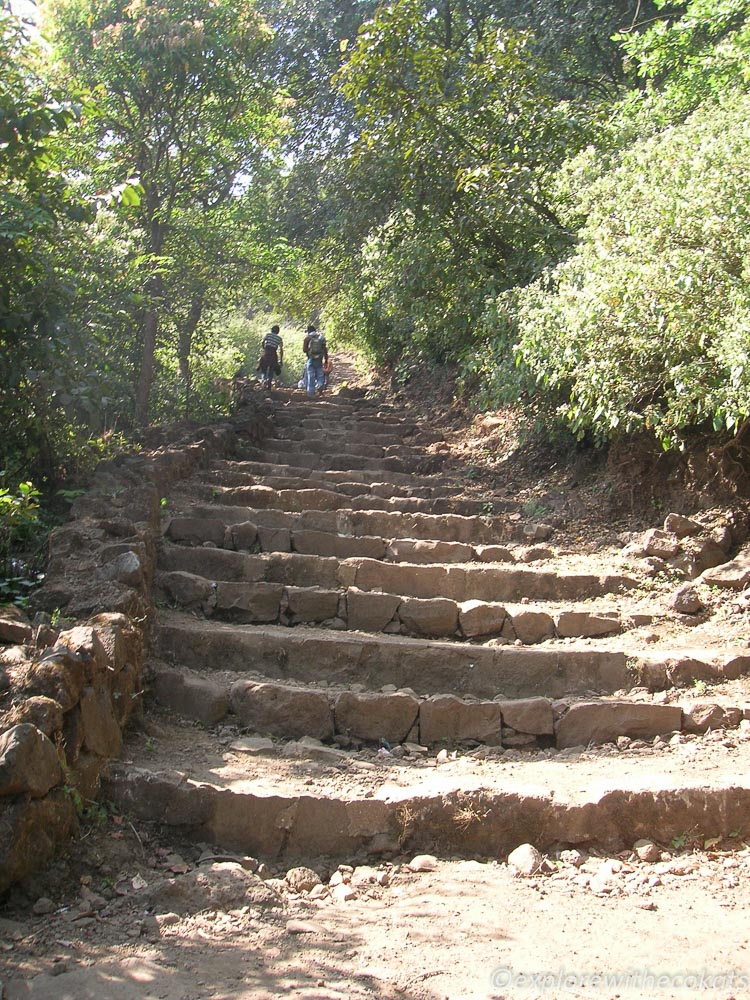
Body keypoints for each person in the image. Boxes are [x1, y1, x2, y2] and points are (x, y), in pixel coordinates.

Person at [302, 324, 328, 397]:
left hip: (311, 359)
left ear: (308, 331)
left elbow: (304, 350)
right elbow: (325, 350)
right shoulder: (321, 338)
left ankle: (311, 393)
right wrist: (326, 360)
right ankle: (319, 385)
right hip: (319, 359)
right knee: (320, 375)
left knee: (311, 376)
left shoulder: (307, 338)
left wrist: (310, 351)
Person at [257, 324, 284, 389]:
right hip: (273, 354)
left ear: (272, 330)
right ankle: (269, 382)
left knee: (263, 368)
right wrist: (281, 359)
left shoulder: (268, 335)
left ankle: (263, 380)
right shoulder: (279, 339)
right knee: (271, 369)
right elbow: (281, 349)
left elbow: (262, 342)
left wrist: (264, 348)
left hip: (266, 352)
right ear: (278, 331)